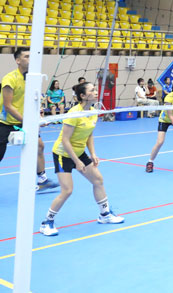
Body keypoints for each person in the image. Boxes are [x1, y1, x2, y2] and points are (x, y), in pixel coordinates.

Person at [39, 82, 124, 236]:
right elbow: (65, 140)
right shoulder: (74, 113)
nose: (96, 91)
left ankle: (104, 215)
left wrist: (92, 153)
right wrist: (77, 162)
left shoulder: (93, 112)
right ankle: (47, 222)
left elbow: (89, 134)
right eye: (92, 90)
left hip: (79, 152)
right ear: (83, 96)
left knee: (98, 180)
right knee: (67, 190)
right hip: (63, 154)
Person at [0, 48, 58, 191]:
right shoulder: (10, 79)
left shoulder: (34, 78)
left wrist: (39, 116)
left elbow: (33, 101)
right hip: (5, 122)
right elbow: (8, 106)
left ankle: (42, 180)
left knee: (39, 146)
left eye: (32, 56)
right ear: (18, 61)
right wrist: (29, 121)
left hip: (24, 120)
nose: (30, 59)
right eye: (26, 56)